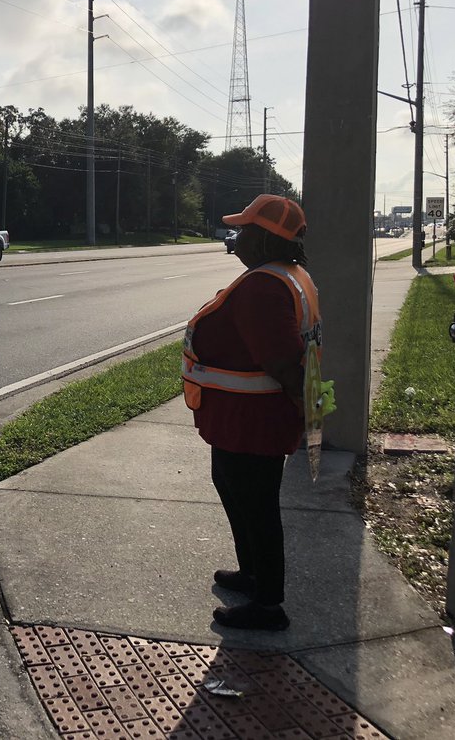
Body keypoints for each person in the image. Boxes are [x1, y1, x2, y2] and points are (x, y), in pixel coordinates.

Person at [181, 194, 321, 631]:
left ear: (264, 239)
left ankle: (267, 604)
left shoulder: (264, 287)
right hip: (243, 421)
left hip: (254, 423)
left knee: (257, 507)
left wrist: (307, 417)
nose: (236, 237)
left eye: (244, 230)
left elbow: (282, 362)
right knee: (234, 491)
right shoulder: (291, 276)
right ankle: (252, 573)